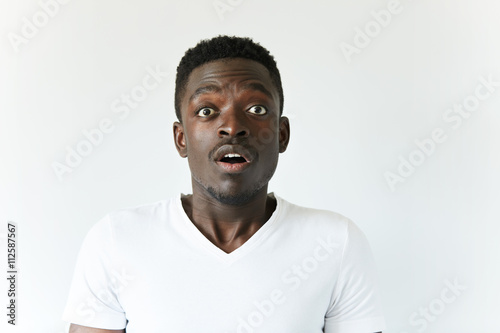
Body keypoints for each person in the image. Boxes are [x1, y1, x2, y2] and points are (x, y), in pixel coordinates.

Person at [63, 35, 386, 333]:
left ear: (281, 134)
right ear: (181, 139)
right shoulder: (117, 238)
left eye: (256, 109)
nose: (232, 126)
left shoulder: (335, 241)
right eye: (207, 110)